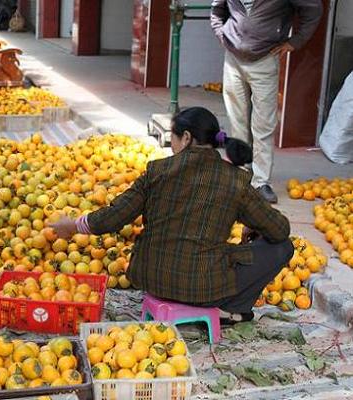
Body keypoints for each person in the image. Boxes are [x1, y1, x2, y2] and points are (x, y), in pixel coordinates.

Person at [51, 107, 294, 323]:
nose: (172, 146)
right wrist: (256, 226)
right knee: (282, 247)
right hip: (203, 288)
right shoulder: (234, 180)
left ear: (186, 137)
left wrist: (73, 225)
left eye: (172, 139)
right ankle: (231, 309)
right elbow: (280, 230)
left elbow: (115, 215)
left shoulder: (157, 170)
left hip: (150, 278)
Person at [211, 0, 323, 203]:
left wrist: (295, 42)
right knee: (237, 120)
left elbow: (313, 9)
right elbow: (217, 9)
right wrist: (222, 34)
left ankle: (260, 181)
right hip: (233, 59)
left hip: (264, 59)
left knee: (263, 124)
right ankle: (239, 172)